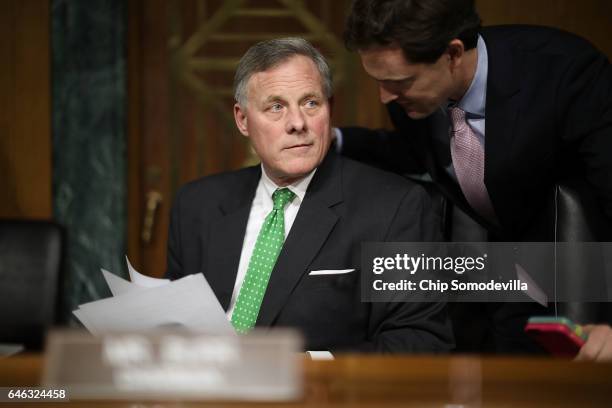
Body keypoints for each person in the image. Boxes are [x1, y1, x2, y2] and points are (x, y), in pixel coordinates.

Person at [339, 0, 612, 359]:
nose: (385, 96)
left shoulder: (566, 72)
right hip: (503, 279)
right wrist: (336, 141)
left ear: (452, 54)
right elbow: (429, 153)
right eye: (379, 81)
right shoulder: (409, 96)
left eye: (398, 82)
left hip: (583, 283)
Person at [165, 37, 454, 353]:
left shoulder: (395, 207)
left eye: (310, 103)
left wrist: (309, 370)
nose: (298, 123)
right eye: (276, 107)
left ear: (330, 108)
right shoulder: (196, 205)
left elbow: (419, 341)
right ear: (243, 119)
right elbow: (172, 324)